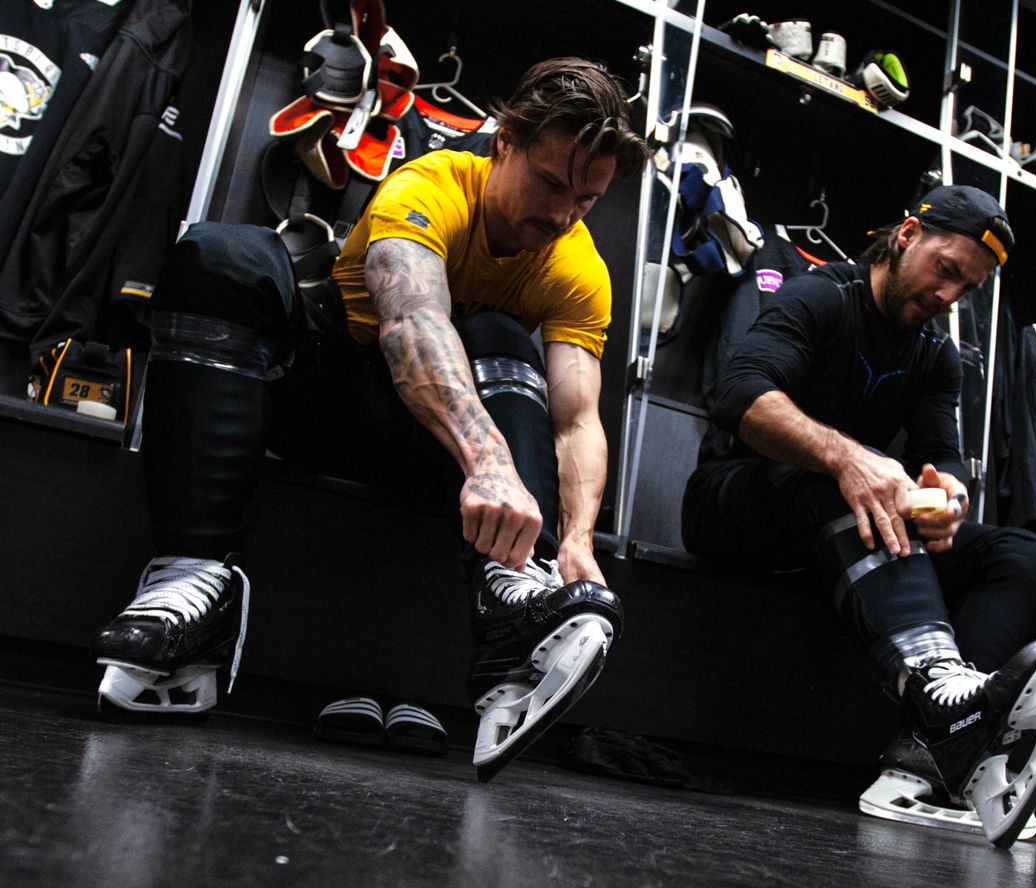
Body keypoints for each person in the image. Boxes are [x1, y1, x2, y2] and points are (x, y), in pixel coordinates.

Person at [89, 57, 649, 782]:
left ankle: (515, 604)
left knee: (504, 336)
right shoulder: (430, 186)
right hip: (328, 404)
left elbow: (577, 419)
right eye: (550, 184)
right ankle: (191, 585)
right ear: (503, 141)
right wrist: (489, 463)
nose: (562, 214)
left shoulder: (578, 266)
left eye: (586, 198)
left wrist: (575, 542)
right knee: (223, 253)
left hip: (429, 459)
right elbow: (412, 320)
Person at [681, 185, 1036, 847]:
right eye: (947, 270)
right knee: (850, 474)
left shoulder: (935, 355)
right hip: (734, 505)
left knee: (1024, 555)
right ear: (906, 235)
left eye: (968, 288)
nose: (949, 295)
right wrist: (846, 457)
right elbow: (740, 393)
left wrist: (949, 499)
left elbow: (942, 458)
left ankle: (936, 745)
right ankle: (938, 689)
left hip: (844, 530)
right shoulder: (821, 295)